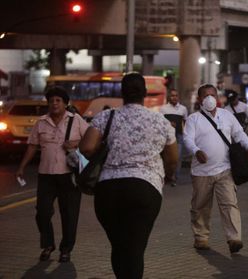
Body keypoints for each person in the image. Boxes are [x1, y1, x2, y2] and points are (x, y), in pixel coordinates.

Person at [79, 73, 178, 279]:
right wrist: (168, 175)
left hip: (108, 191)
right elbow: (172, 159)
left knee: (119, 246)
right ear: (145, 93)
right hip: (145, 188)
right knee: (135, 248)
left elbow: (87, 148)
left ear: (122, 93)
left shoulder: (106, 116)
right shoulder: (161, 121)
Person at [16, 87, 89, 263]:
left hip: (69, 176)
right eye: (51, 101)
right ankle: (48, 245)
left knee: (69, 214)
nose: (54, 104)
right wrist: (22, 167)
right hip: (46, 175)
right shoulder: (41, 122)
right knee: (42, 212)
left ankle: (66, 250)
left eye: (58, 100)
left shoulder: (76, 120)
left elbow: (90, 141)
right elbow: (33, 145)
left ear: (65, 103)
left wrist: (76, 144)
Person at [183, 84, 248, 253]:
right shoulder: (194, 119)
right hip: (201, 172)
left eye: (213, 95)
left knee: (230, 203)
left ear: (217, 97)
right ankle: (201, 238)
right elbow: (188, 139)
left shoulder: (227, 116)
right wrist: (196, 150)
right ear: (200, 99)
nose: (210, 98)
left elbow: (239, 134)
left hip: (225, 169)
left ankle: (234, 238)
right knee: (200, 206)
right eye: (206, 95)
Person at [160, 88, 188, 186]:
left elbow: (185, 122)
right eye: (172, 95)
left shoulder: (183, 109)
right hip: (166, 137)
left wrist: (186, 134)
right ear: (169, 97)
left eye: (176, 95)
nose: (174, 97)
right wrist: (168, 123)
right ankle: (166, 176)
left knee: (177, 158)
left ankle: (175, 178)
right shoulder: (163, 109)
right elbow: (160, 123)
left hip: (179, 136)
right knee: (166, 157)